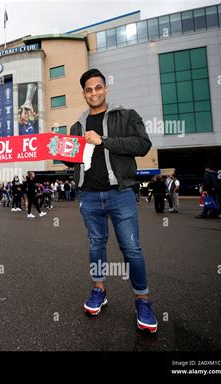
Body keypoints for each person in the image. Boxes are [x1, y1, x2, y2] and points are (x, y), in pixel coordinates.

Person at [64, 68, 157, 333]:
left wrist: (103, 141)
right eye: (88, 89)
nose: (94, 93)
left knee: (131, 249)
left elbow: (142, 144)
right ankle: (99, 290)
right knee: (96, 244)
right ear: (83, 93)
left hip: (121, 194)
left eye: (98, 87)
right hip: (89, 195)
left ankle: (143, 300)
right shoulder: (76, 126)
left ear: (105, 88)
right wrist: (62, 151)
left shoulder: (126, 116)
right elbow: (71, 160)